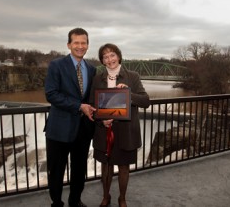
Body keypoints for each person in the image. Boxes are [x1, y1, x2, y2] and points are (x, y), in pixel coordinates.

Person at [89, 43, 150, 207]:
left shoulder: (132, 76)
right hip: (104, 130)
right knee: (106, 167)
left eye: (112, 55)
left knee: (124, 167)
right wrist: (100, 119)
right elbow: (91, 105)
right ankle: (105, 196)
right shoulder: (97, 78)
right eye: (105, 57)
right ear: (102, 61)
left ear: (118, 56)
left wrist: (128, 94)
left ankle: (122, 198)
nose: (109, 59)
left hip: (126, 131)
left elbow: (145, 101)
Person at [44, 28, 96, 207]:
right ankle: (57, 202)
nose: (80, 46)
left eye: (84, 43)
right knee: (57, 170)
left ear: (88, 45)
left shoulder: (92, 69)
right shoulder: (56, 65)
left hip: (83, 129)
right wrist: (78, 106)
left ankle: (75, 200)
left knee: (79, 169)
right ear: (69, 45)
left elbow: (93, 98)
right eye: (76, 43)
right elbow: (51, 94)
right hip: (59, 128)